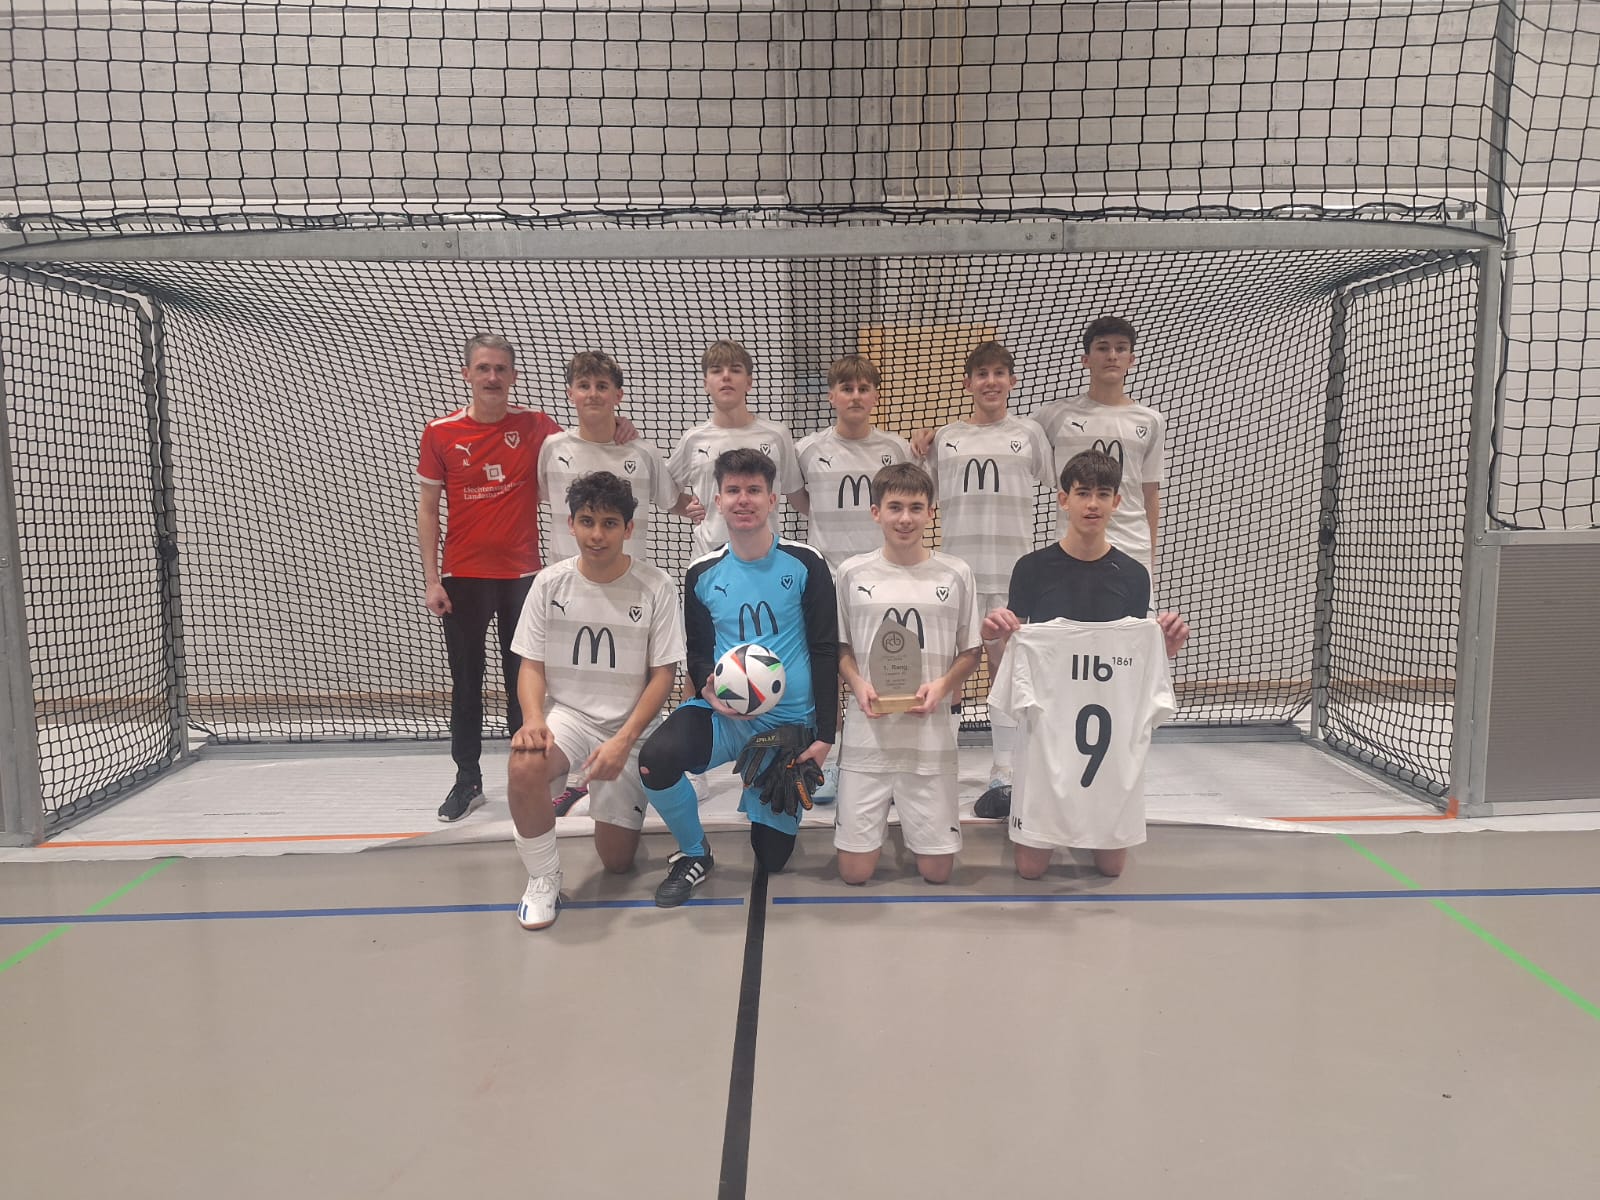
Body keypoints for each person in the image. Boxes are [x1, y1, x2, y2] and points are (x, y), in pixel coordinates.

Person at [416, 333, 635, 823]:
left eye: (501, 369)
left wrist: (620, 425)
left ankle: (531, 777)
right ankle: (467, 780)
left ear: (514, 376)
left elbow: (588, 438)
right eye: (483, 368)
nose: (492, 377)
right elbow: (428, 508)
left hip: (525, 578)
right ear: (467, 374)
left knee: (527, 683)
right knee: (466, 682)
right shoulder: (440, 432)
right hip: (463, 577)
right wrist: (432, 579)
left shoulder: (537, 427)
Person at [637, 448, 838, 907]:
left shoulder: (806, 563)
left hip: (787, 728)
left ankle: (762, 789)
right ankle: (694, 853)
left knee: (771, 858)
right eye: (733, 490)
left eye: (753, 490)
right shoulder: (701, 573)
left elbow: (826, 649)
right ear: (717, 500)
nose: (743, 499)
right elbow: (698, 652)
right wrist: (709, 688)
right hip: (725, 715)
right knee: (654, 760)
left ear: (772, 500)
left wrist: (825, 735)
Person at [977, 449, 1190, 879]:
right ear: (1063, 499)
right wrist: (992, 636)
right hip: (1049, 726)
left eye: (1103, 494)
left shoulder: (1133, 575)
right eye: (1083, 493)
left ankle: (1094, 807)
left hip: (1108, 728)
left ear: (1117, 502)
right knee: (1030, 870)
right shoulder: (1031, 568)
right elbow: (1017, 653)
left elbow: (1133, 658)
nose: (1092, 504)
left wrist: (1165, 649)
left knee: (1111, 868)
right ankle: (1030, 797)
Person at [503, 472, 684, 929]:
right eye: (587, 521)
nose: (597, 534)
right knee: (524, 764)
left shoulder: (657, 586)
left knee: (618, 863)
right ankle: (543, 877)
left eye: (609, 523)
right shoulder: (549, 584)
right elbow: (531, 664)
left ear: (629, 528)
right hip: (570, 717)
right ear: (571, 524)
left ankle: (582, 790)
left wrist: (623, 741)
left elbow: (663, 676)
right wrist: (532, 718)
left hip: (629, 726)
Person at [536, 350, 700, 814]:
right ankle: (568, 780)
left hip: (629, 596)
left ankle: (635, 765)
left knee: (638, 683)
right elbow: (534, 496)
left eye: (602, 386)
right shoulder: (552, 448)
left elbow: (675, 500)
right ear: (570, 393)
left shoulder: (641, 451)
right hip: (569, 599)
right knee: (562, 689)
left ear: (618, 395)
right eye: (584, 385)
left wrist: (707, 508)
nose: (593, 394)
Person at [833, 463, 981, 885]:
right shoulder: (851, 573)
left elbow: (971, 652)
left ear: (931, 512)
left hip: (929, 740)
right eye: (895, 507)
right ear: (875, 512)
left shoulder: (956, 573)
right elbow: (841, 648)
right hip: (868, 737)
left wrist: (943, 686)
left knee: (937, 873)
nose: (905, 518)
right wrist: (857, 683)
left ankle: (916, 829)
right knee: (854, 874)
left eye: (916, 508)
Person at [920, 341, 1054, 799]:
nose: (991, 382)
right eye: (982, 374)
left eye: (999, 373)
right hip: (956, 574)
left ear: (1012, 381)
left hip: (1013, 574)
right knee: (950, 671)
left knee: (1005, 671)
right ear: (968, 383)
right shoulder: (945, 438)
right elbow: (921, 492)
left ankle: (1004, 768)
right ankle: (942, 763)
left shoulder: (1030, 434)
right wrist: (919, 442)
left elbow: (1061, 485)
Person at [793, 353, 915, 802]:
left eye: (864, 388)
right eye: (847, 388)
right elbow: (801, 500)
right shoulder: (807, 449)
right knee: (828, 668)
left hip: (881, 576)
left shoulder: (896, 449)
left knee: (881, 665)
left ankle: (884, 760)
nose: (856, 396)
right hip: (826, 576)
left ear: (876, 396)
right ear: (832, 396)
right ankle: (830, 761)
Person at [1030, 317, 1166, 591]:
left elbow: (1150, 493)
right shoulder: (1055, 415)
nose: (1112, 355)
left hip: (1131, 548)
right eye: (1103, 348)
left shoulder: (1151, 421)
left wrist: (1149, 556)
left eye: (1121, 348)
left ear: (1131, 360)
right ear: (1086, 359)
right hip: (1071, 550)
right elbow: (1013, 444)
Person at [667, 340, 805, 561]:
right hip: (709, 560)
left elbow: (798, 496)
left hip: (766, 561)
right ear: (706, 384)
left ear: (749, 382)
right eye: (716, 370)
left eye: (735, 369)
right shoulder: (693, 439)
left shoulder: (777, 435)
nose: (726, 376)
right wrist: (686, 506)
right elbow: (665, 491)